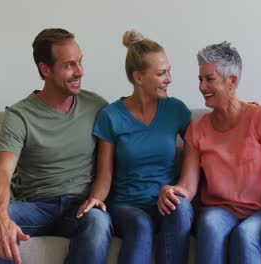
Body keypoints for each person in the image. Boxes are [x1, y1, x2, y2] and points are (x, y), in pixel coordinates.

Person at [158, 41, 261, 264]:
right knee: (209, 226)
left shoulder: (260, 118)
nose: (202, 86)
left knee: (244, 237)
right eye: (200, 79)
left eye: (209, 79)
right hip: (219, 211)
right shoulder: (198, 129)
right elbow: (188, 185)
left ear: (232, 82)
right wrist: (173, 190)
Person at [0, 28, 112, 264]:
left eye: (80, 62)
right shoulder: (20, 115)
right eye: (69, 65)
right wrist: (1, 216)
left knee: (99, 221)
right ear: (45, 69)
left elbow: (105, 169)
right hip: (34, 207)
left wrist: (96, 198)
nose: (80, 72)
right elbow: (1, 170)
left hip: (79, 207)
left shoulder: (97, 107)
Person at [76, 30, 193, 264]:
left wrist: (178, 188)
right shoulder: (111, 116)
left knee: (180, 209)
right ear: (138, 77)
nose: (169, 78)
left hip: (165, 201)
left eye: (169, 71)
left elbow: (199, 147)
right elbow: (104, 174)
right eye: (161, 73)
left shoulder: (176, 110)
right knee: (141, 224)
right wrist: (96, 199)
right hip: (126, 206)